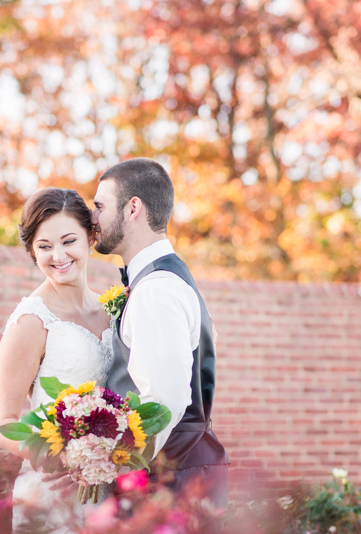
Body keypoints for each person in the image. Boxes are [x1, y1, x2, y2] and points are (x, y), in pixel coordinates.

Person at [91, 158, 230, 512]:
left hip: (168, 483)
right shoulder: (167, 279)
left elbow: (164, 402)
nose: (93, 218)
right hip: (182, 474)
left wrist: (106, 469)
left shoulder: (156, 290)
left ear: (132, 207)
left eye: (100, 206)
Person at [0, 188, 113, 533]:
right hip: (53, 493)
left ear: (90, 237)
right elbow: (0, 425)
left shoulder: (112, 309)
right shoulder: (31, 321)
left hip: (106, 489)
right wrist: (63, 458)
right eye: (44, 246)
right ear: (32, 250)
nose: (58, 256)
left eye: (68, 241)